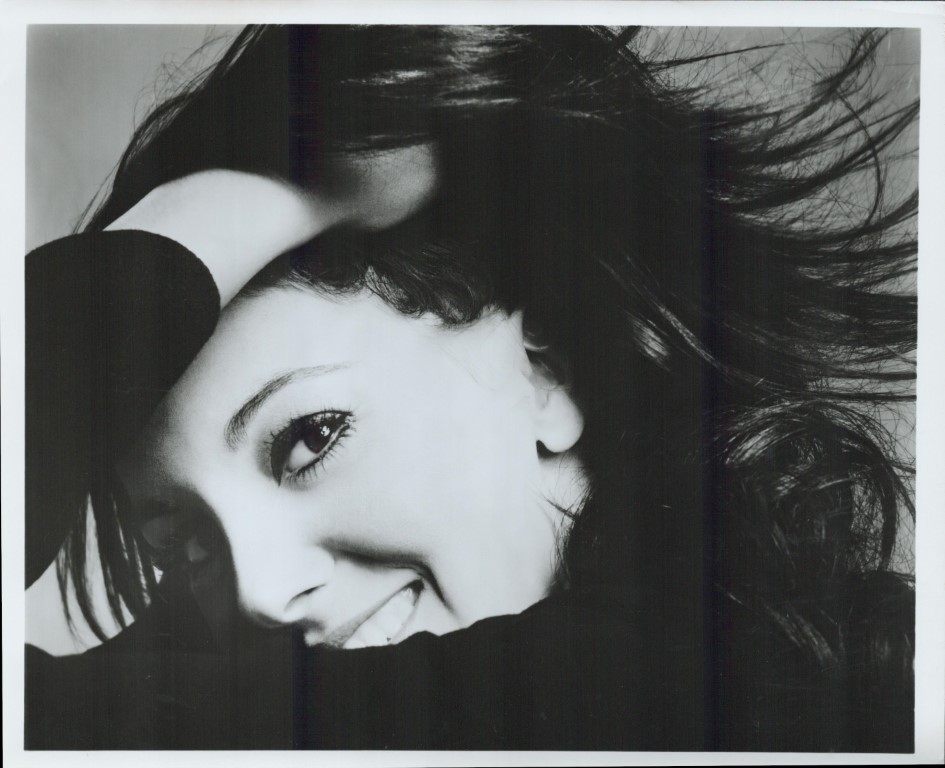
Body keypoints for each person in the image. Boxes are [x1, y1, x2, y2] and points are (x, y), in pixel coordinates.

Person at [25, 25, 916, 751]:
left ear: (545, 370)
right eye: (182, 544)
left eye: (311, 438)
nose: (258, 591)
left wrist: (230, 211)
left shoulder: (781, 699)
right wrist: (256, 198)